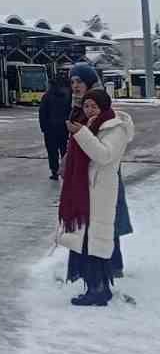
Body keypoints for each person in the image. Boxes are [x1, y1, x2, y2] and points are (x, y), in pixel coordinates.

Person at [57, 87, 131, 306]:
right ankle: (97, 287)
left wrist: (81, 134)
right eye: (86, 106)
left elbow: (104, 155)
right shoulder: (89, 124)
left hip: (100, 192)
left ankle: (98, 290)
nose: (89, 110)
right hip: (86, 192)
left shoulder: (115, 128)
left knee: (96, 242)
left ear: (104, 106)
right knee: (87, 241)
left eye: (94, 106)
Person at [68, 61, 133, 273]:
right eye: (72, 82)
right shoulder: (77, 108)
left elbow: (103, 150)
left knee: (106, 220)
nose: (75, 86)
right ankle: (88, 266)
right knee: (89, 222)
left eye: (79, 81)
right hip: (84, 175)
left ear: (89, 82)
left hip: (102, 175)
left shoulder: (100, 109)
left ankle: (112, 266)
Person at [38, 70, 71, 180]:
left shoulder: (47, 96)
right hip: (64, 128)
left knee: (52, 151)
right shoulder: (68, 95)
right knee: (65, 150)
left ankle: (54, 171)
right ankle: (67, 170)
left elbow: (42, 113)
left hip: (50, 129)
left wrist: (43, 128)